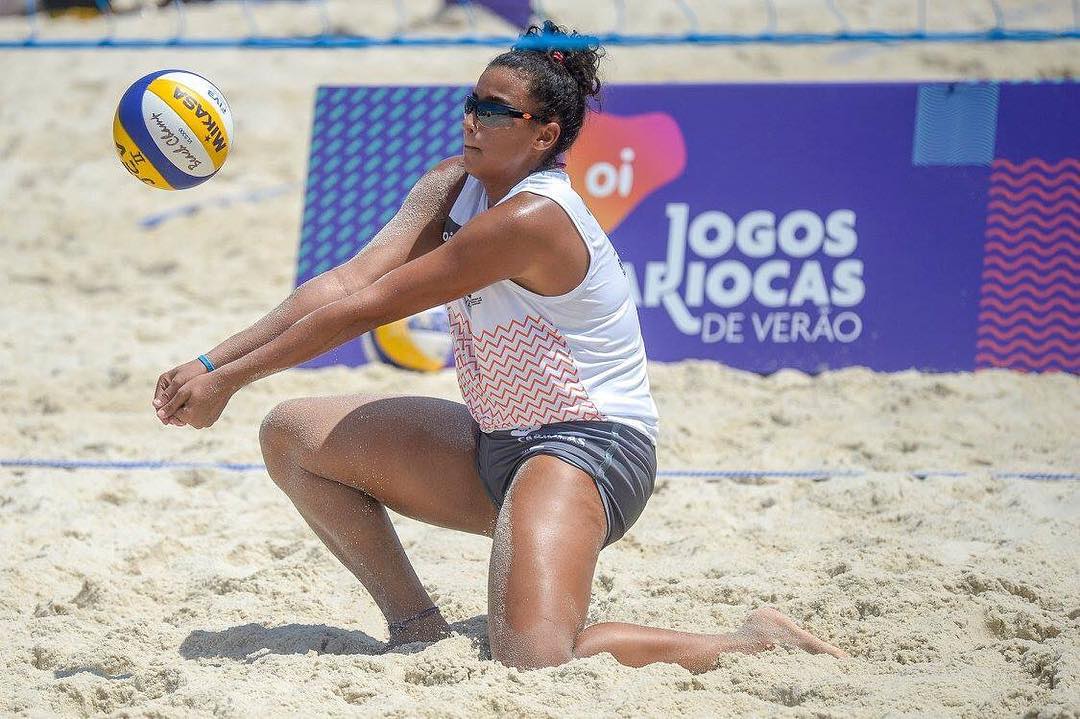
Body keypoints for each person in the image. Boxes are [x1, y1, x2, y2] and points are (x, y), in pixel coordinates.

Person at [152, 22, 846, 672]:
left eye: (494, 110)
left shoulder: (534, 217)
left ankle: (749, 639)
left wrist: (231, 382)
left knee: (535, 659)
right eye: (471, 102)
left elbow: (369, 307)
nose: (471, 119)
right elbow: (346, 280)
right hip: (497, 443)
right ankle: (416, 628)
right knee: (292, 436)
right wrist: (213, 362)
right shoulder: (453, 184)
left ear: (545, 133)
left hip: (588, 446)